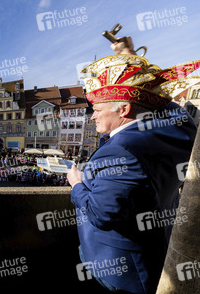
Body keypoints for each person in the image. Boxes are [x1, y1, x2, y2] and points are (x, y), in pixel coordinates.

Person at [67, 37, 199, 293]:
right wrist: (131, 63)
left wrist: (77, 185)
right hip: (153, 248)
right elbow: (170, 108)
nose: (92, 115)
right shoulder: (175, 131)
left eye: (97, 109)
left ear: (124, 109)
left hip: (120, 270)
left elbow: (102, 214)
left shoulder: (121, 150)